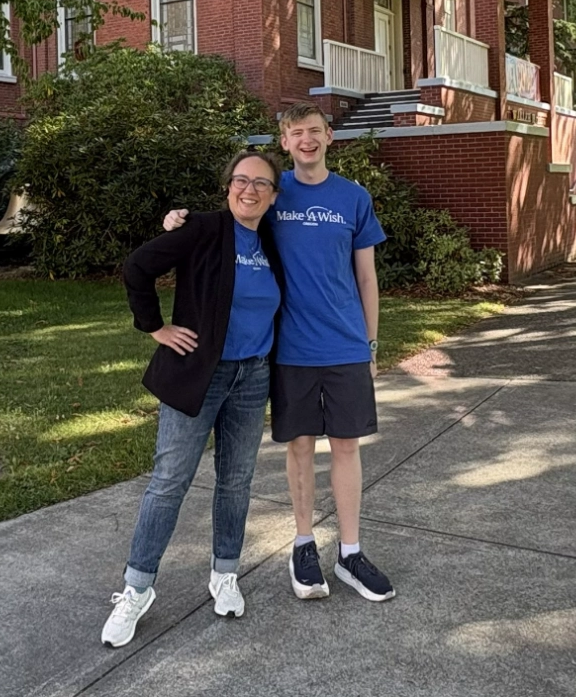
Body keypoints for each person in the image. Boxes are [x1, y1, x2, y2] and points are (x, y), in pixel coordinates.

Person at [165, 103, 395, 603]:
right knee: (300, 447)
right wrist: (179, 220)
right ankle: (304, 545)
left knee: (347, 447)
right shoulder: (271, 192)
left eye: (314, 131)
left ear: (329, 136)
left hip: (346, 344)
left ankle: (350, 552)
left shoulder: (354, 197)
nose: (306, 140)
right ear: (284, 142)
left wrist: (371, 344)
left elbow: (367, 277)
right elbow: (228, 221)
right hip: (289, 347)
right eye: (296, 133)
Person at [101, 151, 286, 649]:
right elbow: (138, 267)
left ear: (274, 196)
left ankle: (225, 574)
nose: (249, 190)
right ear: (228, 186)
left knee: (236, 481)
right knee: (169, 482)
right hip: (199, 374)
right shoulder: (203, 228)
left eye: (261, 184)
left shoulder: (274, 239)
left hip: (253, 377)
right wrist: (155, 328)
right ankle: (137, 589)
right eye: (241, 180)